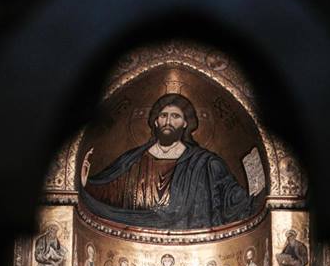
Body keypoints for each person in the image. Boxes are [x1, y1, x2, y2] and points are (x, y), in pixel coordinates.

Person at [80, 93, 256, 229]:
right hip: (133, 234)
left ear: (186, 123)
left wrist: (257, 193)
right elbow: (109, 191)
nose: (168, 121)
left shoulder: (206, 163)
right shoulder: (134, 160)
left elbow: (232, 198)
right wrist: (86, 182)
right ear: (156, 121)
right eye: (163, 115)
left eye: (175, 116)